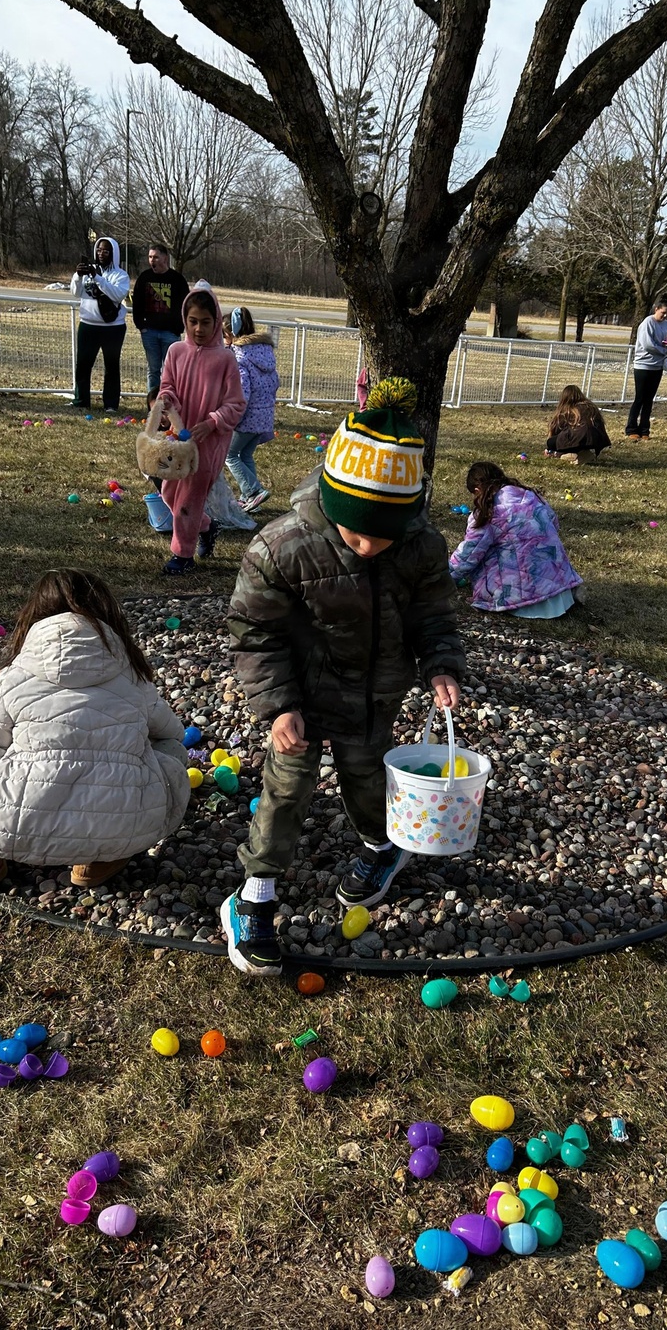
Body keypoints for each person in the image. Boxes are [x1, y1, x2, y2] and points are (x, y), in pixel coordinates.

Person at [224, 377, 465, 975]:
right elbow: (255, 632)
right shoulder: (281, 547)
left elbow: (433, 613)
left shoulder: (419, 547)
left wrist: (439, 664)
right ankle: (254, 894)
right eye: (357, 534)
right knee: (287, 789)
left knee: (367, 775)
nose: (369, 548)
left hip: (373, 694)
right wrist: (278, 705)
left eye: (385, 537)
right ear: (333, 506)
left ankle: (382, 848)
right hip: (302, 698)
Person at [0, 569, 191, 890]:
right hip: (129, 828)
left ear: (35, 616)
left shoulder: (9, 676)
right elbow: (173, 736)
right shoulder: (133, 676)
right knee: (172, 751)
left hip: (12, 830)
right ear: (109, 616)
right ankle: (102, 859)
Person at [157, 286, 246, 575]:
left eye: (205, 322)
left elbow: (236, 403)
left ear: (216, 322)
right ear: (185, 320)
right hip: (179, 439)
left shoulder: (225, 359)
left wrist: (212, 422)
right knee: (169, 493)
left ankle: (182, 555)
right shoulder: (175, 351)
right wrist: (166, 401)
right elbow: (168, 385)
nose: (198, 329)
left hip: (209, 443)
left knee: (189, 498)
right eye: (193, 321)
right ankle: (206, 526)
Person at [449, 462, 583, 618]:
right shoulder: (532, 496)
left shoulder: (488, 513)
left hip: (521, 598)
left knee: (487, 555)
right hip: (559, 586)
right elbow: (554, 523)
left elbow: (468, 554)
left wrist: (444, 577)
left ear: (478, 490)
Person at [223, 306, 279, 512]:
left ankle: (254, 491)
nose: (223, 341)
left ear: (232, 335)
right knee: (245, 455)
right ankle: (251, 499)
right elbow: (275, 383)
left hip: (246, 418)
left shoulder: (240, 359)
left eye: (224, 336)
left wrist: (233, 416)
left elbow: (242, 393)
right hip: (264, 416)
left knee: (229, 455)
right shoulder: (264, 354)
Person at [70, 236, 131, 414]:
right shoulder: (87, 271)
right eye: (99, 250)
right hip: (88, 324)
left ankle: (111, 404)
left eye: (105, 251)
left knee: (111, 366)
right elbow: (76, 293)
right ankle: (81, 400)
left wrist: (97, 277)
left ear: (113, 253)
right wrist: (78, 276)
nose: (101, 253)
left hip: (113, 328)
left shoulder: (121, 275)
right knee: (83, 364)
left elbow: (117, 295)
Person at [131, 243, 190, 393]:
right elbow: (136, 303)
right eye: (150, 257)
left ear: (165, 258)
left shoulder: (177, 280)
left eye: (156, 257)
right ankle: (152, 402)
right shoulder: (144, 278)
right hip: (149, 332)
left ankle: (170, 401)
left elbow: (187, 306)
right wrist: (141, 326)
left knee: (172, 371)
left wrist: (179, 328)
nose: (152, 260)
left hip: (170, 334)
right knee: (153, 370)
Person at [626, 297, 667, 440]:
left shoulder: (666, 324)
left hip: (657, 366)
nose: (665, 315)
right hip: (643, 366)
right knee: (640, 398)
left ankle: (644, 430)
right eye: (663, 312)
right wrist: (664, 350)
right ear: (656, 309)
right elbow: (648, 345)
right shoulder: (647, 323)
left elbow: (665, 342)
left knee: (649, 399)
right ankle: (631, 429)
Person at [546, 384, 611, 462]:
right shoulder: (591, 407)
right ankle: (585, 453)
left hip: (578, 439)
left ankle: (570, 455)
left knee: (551, 442)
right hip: (597, 440)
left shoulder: (568, 410)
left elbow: (556, 428)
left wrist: (550, 448)